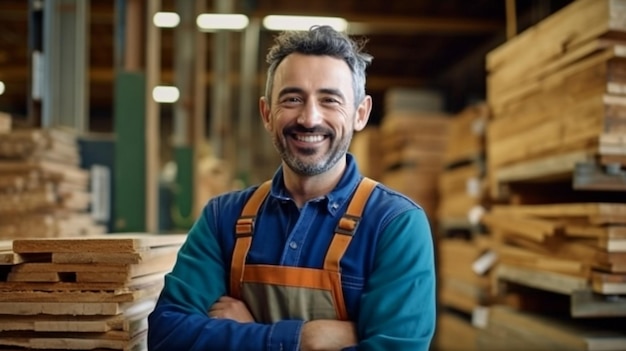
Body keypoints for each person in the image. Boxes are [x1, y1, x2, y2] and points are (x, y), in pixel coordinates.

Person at [147, 25, 436, 351]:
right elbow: (167, 335)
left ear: (360, 113)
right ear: (267, 113)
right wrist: (305, 338)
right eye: (293, 98)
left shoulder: (394, 224)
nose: (309, 118)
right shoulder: (223, 218)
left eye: (329, 100)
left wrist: (250, 333)